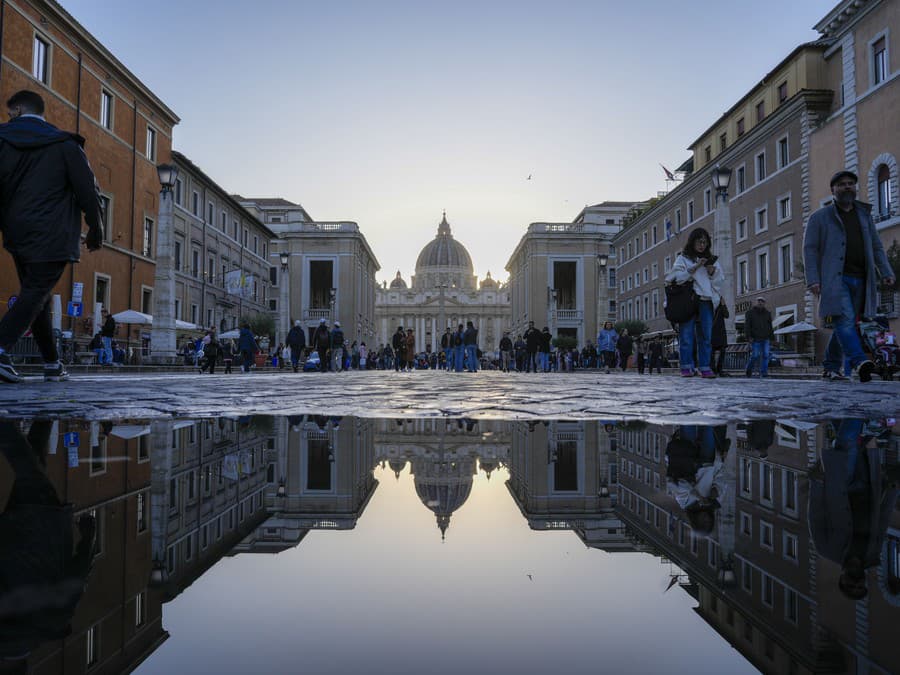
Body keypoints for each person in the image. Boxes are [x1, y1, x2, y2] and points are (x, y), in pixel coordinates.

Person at [0, 90, 103, 384]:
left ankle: (51, 363)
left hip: (17, 232)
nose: (8, 117)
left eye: (10, 111)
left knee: (38, 295)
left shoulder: (3, 141)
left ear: (19, 110)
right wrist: (96, 230)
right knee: (36, 292)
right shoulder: (64, 145)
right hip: (54, 234)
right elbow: (88, 191)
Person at [803, 170, 895, 382]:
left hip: (862, 278)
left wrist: (886, 271)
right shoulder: (819, 218)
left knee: (844, 325)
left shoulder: (864, 215)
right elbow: (810, 249)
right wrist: (813, 279)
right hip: (835, 279)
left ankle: (830, 366)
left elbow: (876, 245)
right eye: (842, 184)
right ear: (833, 190)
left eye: (851, 183)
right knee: (844, 321)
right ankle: (860, 361)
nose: (847, 187)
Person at [664, 227, 724, 378]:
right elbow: (675, 278)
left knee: (706, 336)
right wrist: (695, 267)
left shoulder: (712, 260)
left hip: (705, 300)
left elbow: (719, 281)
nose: (702, 245)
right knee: (686, 335)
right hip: (688, 300)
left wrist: (712, 272)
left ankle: (704, 366)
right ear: (692, 242)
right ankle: (686, 366)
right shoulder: (682, 259)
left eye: (704, 242)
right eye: (699, 242)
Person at [743, 297, 773, 377]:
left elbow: (770, 326)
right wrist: (749, 337)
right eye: (759, 301)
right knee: (755, 356)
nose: (760, 303)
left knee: (766, 355)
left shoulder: (767, 313)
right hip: (755, 338)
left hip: (765, 338)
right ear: (756, 302)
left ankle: (764, 372)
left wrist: (771, 337)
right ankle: (748, 369)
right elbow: (747, 326)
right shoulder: (750, 313)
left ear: (764, 303)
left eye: (762, 301)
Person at [711, 299, 730, 376]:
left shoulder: (720, 307)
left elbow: (727, 315)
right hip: (711, 332)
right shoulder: (709, 305)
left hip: (720, 333)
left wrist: (723, 305)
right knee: (711, 352)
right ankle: (713, 369)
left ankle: (719, 369)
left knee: (722, 351)